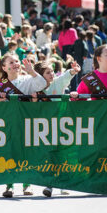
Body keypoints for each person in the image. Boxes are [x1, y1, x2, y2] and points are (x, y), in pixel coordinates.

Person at [0, 53, 47, 198]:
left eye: (16, 61)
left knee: (26, 152)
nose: (15, 64)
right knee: (10, 152)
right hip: (9, 122)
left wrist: (31, 71)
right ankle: (9, 184)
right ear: (4, 67)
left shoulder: (27, 79)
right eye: (11, 62)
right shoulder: (0, 86)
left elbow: (42, 84)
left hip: (25, 121)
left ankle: (27, 183)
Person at [33, 59, 80, 198]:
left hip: (60, 125)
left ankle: (61, 184)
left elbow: (64, 78)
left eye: (52, 71)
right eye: (48, 72)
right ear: (40, 76)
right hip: (43, 129)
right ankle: (50, 183)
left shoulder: (56, 84)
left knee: (61, 153)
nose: (52, 74)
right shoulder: (35, 89)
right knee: (49, 156)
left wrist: (73, 71)